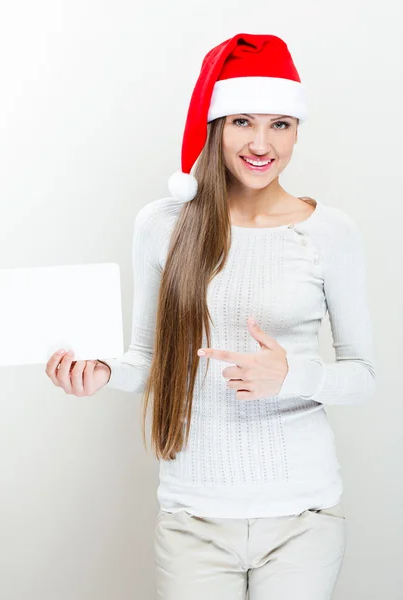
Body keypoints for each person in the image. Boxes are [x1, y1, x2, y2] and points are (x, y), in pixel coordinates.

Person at [47, 33, 376, 600]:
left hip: (302, 517)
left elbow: (363, 375)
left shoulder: (330, 232)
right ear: (215, 127)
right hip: (193, 517)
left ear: (297, 130)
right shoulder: (164, 223)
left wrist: (292, 376)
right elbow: (147, 358)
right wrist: (103, 371)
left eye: (280, 124)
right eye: (242, 121)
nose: (261, 143)